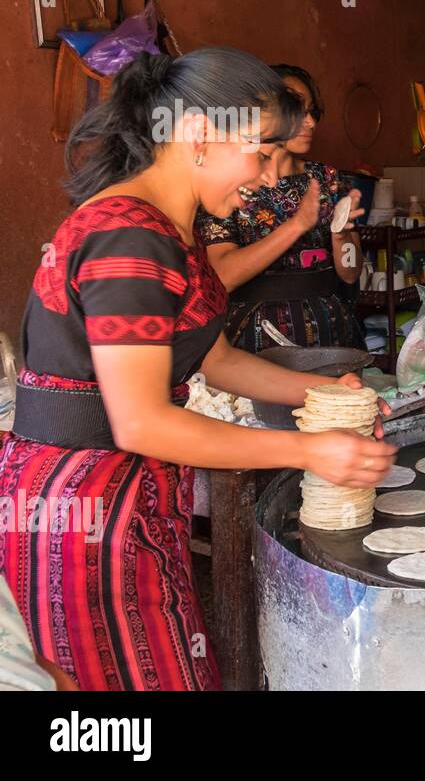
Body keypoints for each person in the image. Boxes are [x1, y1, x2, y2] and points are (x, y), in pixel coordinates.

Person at [0, 49, 395, 690]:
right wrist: (308, 450)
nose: (270, 178)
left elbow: (213, 359)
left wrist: (324, 392)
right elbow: (140, 422)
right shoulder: (130, 238)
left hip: (132, 501)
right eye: (261, 153)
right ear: (198, 136)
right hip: (86, 512)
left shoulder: (171, 229)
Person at [197, 64, 364, 351]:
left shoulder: (328, 180)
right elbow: (223, 276)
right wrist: (297, 224)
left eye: (313, 111)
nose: (310, 122)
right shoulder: (231, 183)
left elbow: (350, 272)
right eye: (296, 109)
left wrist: (341, 238)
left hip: (333, 336)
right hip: (256, 341)